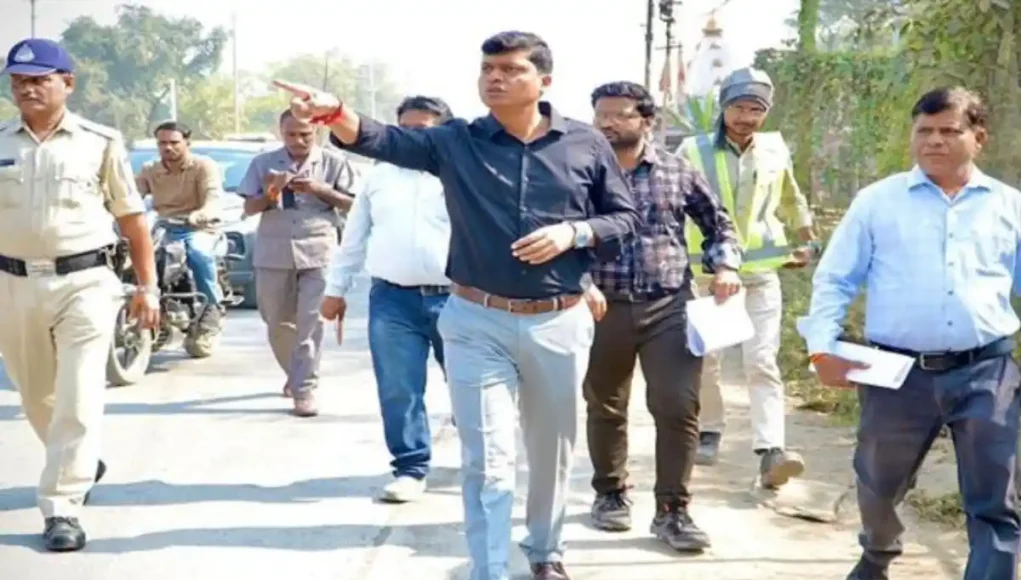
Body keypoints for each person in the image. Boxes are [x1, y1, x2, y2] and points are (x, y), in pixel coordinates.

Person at [275, 30, 640, 580]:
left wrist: (575, 233)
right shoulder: (456, 141)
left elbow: (624, 219)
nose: (495, 77)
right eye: (488, 68)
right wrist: (336, 113)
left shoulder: (585, 144)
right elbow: (383, 140)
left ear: (544, 81)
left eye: (510, 69)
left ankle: (544, 552)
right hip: (474, 321)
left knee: (550, 451)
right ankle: (488, 569)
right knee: (488, 460)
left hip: (558, 321)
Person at [797, 87, 1020, 580]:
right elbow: (835, 279)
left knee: (996, 496)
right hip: (896, 373)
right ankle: (877, 555)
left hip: (987, 371)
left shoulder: (1010, 207)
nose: (934, 141)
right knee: (878, 484)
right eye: (924, 131)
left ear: (978, 137)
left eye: (949, 131)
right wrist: (821, 351)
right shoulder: (878, 202)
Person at [0, 38, 159, 552]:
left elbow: (132, 219)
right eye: (18, 81)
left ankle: (62, 506)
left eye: (39, 80)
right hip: (12, 283)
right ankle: (79, 458)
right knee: (35, 395)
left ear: (67, 83)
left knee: (78, 393)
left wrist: (148, 286)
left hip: (85, 283)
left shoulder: (100, 141)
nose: (27, 89)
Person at [583, 81, 742, 552]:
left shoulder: (677, 171)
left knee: (677, 405)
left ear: (646, 121)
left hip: (668, 305)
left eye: (620, 115)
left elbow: (718, 223)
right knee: (606, 405)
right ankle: (610, 493)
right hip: (600, 306)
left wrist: (726, 263)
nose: (608, 123)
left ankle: (673, 510)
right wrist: (579, 281)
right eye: (601, 114)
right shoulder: (581, 173)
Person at [677, 67, 818, 488]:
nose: (746, 117)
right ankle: (710, 430)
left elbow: (791, 196)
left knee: (762, 360)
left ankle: (770, 450)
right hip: (707, 273)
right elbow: (674, 202)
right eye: (739, 107)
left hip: (760, 270)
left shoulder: (775, 150)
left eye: (756, 109)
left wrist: (807, 238)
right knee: (707, 359)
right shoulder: (692, 150)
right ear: (723, 107)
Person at [320, 95, 454, 503]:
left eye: (423, 130)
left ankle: (483, 463)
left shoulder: (460, 173)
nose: (413, 137)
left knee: (472, 388)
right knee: (399, 388)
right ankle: (410, 468)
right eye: (406, 129)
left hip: (459, 299)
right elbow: (355, 237)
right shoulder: (378, 177)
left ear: (442, 132)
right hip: (393, 300)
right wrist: (334, 290)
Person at [237, 109, 356, 417]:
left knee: (310, 323)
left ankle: (304, 388)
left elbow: (354, 204)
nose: (298, 140)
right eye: (291, 134)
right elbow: (250, 207)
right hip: (274, 251)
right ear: (281, 132)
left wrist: (320, 190)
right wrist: (270, 194)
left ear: (316, 131)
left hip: (318, 249)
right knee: (276, 321)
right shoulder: (263, 163)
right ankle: (295, 371)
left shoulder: (334, 163)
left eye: (305, 134)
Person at [135, 120, 226, 351]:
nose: (168, 148)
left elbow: (213, 196)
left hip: (198, 228)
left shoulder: (203, 166)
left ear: (187, 142)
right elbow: (131, 197)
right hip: (164, 228)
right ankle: (158, 313)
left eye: (174, 142)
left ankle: (211, 311)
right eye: (162, 143)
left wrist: (202, 213)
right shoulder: (150, 169)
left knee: (198, 252)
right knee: (136, 257)